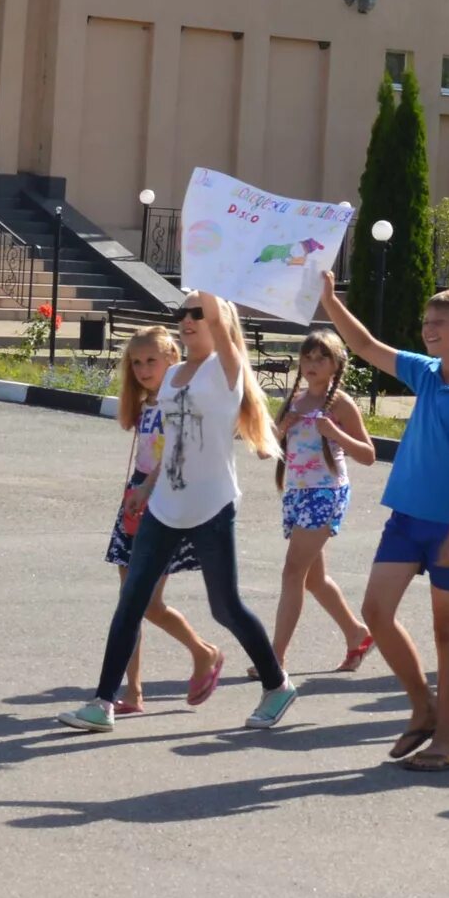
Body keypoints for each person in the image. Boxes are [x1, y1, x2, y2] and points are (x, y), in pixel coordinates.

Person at [65, 293, 299, 736]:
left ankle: (277, 684)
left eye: (198, 314)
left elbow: (218, 319)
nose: (188, 320)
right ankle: (102, 702)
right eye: (183, 314)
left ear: (219, 321)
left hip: (212, 506)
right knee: (131, 600)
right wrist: (146, 488)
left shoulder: (227, 370)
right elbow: (171, 444)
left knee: (225, 607)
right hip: (164, 506)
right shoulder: (172, 376)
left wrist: (210, 269)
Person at [311, 271, 449, 769]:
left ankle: (447, 741)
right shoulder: (426, 372)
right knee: (375, 611)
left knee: (447, 631)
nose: (428, 329)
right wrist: (328, 299)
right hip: (406, 518)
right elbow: (366, 345)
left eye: (438, 322)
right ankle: (423, 706)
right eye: (425, 322)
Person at [103, 325, 217, 710]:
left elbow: (179, 454)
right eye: (136, 363)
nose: (142, 368)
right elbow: (132, 432)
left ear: (173, 357)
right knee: (127, 602)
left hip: (166, 498)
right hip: (136, 497)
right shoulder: (147, 402)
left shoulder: (180, 399)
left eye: (151, 360)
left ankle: (202, 652)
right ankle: (132, 691)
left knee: (148, 602)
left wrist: (147, 489)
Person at [268, 331, 375, 673]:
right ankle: (357, 633)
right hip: (296, 493)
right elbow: (263, 448)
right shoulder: (294, 399)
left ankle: (275, 658)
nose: (312, 365)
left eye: (321, 358)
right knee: (313, 579)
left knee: (292, 572)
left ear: (336, 365)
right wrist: (280, 429)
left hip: (325, 493)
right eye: (308, 358)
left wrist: (336, 433)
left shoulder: (339, 403)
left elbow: (369, 454)